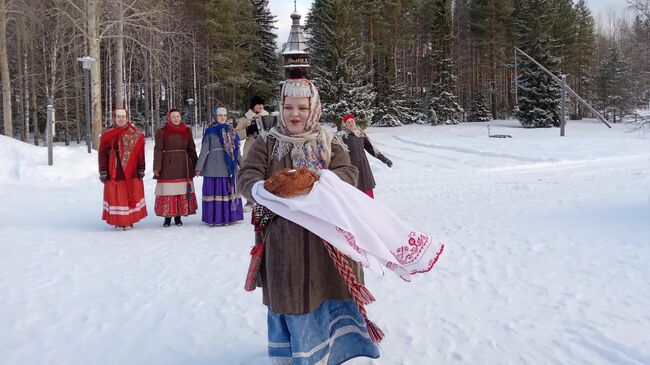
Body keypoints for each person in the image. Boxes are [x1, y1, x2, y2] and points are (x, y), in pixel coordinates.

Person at [237, 79, 380, 364]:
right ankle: (300, 353)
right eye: (289, 107)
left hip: (329, 238)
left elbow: (349, 172)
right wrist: (267, 188)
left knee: (331, 287)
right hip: (283, 240)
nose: (295, 114)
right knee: (293, 295)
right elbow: (245, 176)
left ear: (313, 108)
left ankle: (339, 347)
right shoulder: (268, 142)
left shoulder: (329, 140)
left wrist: (320, 181)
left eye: (302, 107)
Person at [98, 109, 148, 230]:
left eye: (123, 116)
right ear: (114, 118)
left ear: (127, 117)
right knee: (117, 194)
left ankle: (129, 220)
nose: (121, 119)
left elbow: (140, 153)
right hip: (114, 168)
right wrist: (103, 170)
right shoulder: (107, 134)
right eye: (118, 117)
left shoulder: (135, 133)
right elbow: (102, 153)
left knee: (130, 193)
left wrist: (141, 167)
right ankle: (118, 220)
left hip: (131, 169)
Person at [195, 107, 244, 226]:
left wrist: (242, 165)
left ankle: (230, 217)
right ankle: (215, 217)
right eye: (220, 115)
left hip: (229, 166)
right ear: (215, 117)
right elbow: (203, 151)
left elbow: (236, 150)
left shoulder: (231, 131)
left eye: (224, 115)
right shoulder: (210, 131)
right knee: (216, 189)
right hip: (214, 165)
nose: (222, 117)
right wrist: (198, 167)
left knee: (228, 190)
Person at [153, 109, 198, 227]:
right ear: (169, 118)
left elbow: (191, 149)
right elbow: (158, 150)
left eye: (178, 116)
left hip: (184, 165)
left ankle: (178, 217)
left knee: (181, 190)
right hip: (168, 165)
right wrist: (157, 167)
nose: (176, 118)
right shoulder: (162, 131)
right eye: (173, 117)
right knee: (169, 191)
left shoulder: (187, 130)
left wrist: (196, 165)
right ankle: (167, 218)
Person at [338, 114, 392, 199]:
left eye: (352, 121)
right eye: (348, 122)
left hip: (364, 167)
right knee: (353, 191)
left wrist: (383, 158)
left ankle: (370, 209)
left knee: (367, 189)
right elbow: (337, 153)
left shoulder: (360, 134)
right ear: (345, 124)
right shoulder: (342, 137)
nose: (351, 123)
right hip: (351, 168)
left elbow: (371, 148)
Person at [236, 95, 269, 212]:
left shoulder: (266, 116)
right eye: (258, 104)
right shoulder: (245, 119)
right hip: (251, 148)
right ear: (253, 106)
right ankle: (249, 200)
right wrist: (247, 130)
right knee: (251, 172)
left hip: (266, 147)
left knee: (266, 172)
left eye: (261, 104)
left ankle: (265, 200)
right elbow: (236, 136)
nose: (260, 106)